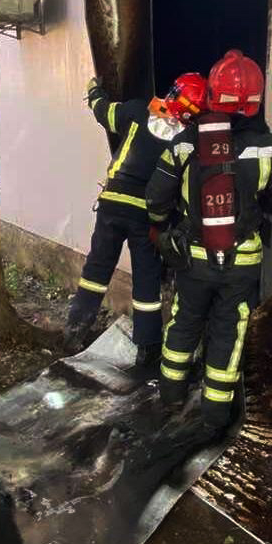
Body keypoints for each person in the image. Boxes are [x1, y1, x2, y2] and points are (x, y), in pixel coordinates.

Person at [145, 51, 272, 428]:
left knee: (184, 321)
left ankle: (170, 396)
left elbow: (155, 198)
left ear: (212, 95)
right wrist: (258, 195)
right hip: (242, 263)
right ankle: (216, 415)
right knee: (229, 332)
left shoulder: (184, 143)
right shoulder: (268, 147)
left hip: (193, 259)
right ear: (257, 100)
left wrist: (162, 229)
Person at [64, 73, 207, 366]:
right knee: (146, 280)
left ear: (172, 92)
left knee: (97, 268)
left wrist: (94, 91)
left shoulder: (137, 110)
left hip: (113, 206)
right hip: (147, 217)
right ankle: (148, 348)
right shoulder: (187, 140)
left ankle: (75, 329)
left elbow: (104, 113)